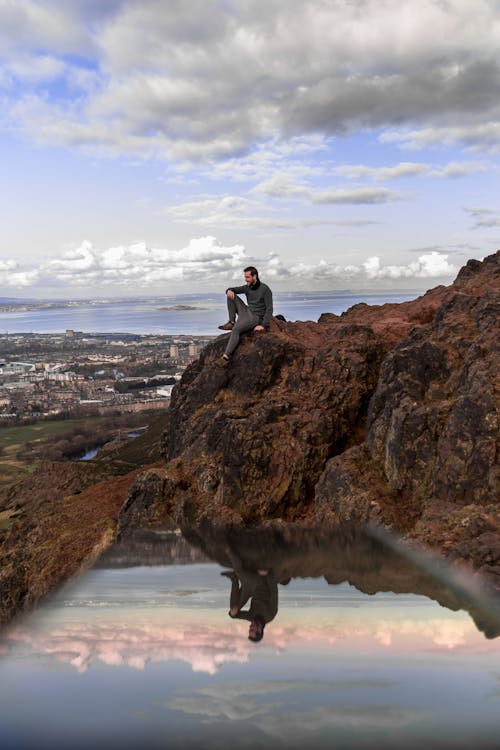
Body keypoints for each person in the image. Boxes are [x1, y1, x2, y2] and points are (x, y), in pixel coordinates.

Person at [218, 266, 273, 362]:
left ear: (254, 277)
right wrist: (228, 291)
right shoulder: (247, 287)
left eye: (247, 277)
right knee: (231, 295)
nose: (245, 279)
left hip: (255, 317)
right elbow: (231, 289)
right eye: (245, 277)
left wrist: (263, 325)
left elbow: (269, 309)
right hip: (246, 311)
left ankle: (226, 356)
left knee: (236, 330)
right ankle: (231, 321)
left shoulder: (265, 289)